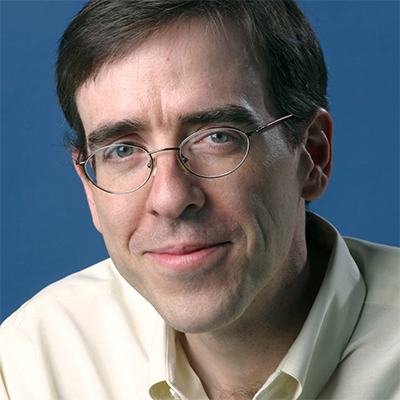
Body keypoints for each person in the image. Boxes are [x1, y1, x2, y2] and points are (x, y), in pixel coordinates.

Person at [1, 0, 400, 399]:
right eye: (122, 151)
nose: (171, 198)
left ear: (312, 155)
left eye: (217, 136)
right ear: (90, 189)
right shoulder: (34, 361)